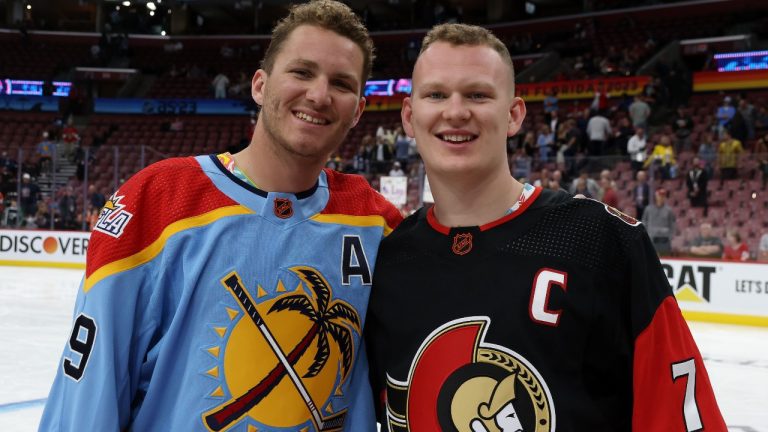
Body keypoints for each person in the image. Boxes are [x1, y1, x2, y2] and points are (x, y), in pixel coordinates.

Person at [39, 2, 402, 431]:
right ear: (260, 86)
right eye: (302, 72)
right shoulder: (158, 200)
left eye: (340, 83)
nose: (319, 95)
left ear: (358, 110)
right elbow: (87, 396)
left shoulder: (376, 223)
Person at [365, 23, 725, 431]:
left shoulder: (603, 240)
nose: (456, 111)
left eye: (478, 94)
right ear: (409, 117)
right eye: (436, 95)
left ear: (514, 115)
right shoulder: (388, 261)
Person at [642, 188, 676, 256]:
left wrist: (670, 236)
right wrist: (646, 234)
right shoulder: (648, 209)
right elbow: (644, 222)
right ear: (656, 196)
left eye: (663, 196)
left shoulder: (669, 210)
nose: (661, 198)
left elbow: (672, 224)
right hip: (651, 238)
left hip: (665, 239)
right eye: (659, 195)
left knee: (666, 257)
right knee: (651, 257)